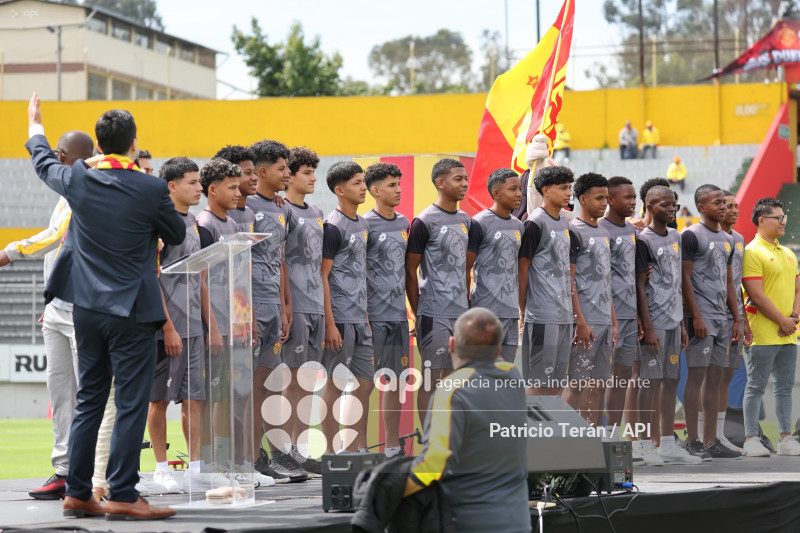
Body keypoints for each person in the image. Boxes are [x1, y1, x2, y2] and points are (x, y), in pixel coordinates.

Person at [26, 94, 182, 519]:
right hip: (131, 309)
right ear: (134, 145)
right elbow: (177, 233)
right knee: (130, 402)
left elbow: (42, 162)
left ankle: (78, 493)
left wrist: (35, 125)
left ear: (98, 145)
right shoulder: (150, 186)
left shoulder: (79, 179)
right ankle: (124, 495)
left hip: (86, 308)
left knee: (89, 400)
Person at [0, 130, 93, 500]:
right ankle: (64, 470)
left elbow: (55, 237)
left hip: (82, 310)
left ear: (74, 158)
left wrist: (9, 252)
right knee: (60, 391)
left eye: (60, 154)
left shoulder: (81, 191)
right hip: (57, 308)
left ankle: (88, 473)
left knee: (85, 394)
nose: (55, 159)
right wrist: (52, 298)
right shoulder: (65, 192)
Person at [404, 307, 530, 533]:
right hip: (517, 523)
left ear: (451, 345)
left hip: (469, 523)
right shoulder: (514, 378)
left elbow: (435, 462)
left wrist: (389, 488)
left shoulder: (452, 389)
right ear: (499, 349)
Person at [246, 140, 308, 481]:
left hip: (274, 305)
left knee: (271, 383)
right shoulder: (246, 206)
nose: (288, 174)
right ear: (263, 171)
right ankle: (253, 455)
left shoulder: (283, 209)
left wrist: (286, 305)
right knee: (253, 384)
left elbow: (281, 259)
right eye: (283, 169)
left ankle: (272, 453)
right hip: (251, 306)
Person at [635, 186, 698, 465]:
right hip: (654, 323)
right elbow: (639, 284)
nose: (671, 209)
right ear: (649, 206)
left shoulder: (676, 236)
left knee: (670, 381)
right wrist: (647, 326)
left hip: (673, 323)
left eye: (674, 204)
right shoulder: (642, 239)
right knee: (648, 382)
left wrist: (682, 324)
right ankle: (644, 444)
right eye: (664, 204)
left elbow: (676, 283)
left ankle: (668, 444)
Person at [405, 158, 471, 421]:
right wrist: (420, 313)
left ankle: (451, 438)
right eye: (458, 179)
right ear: (440, 183)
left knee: (455, 380)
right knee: (433, 379)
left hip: (462, 315)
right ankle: (431, 440)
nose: (465, 183)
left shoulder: (467, 219)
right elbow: (410, 271)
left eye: (465, 178)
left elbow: (466, 269)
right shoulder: (424, 221)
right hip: (434, 313)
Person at [682, 184, 742, 460]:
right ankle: (692, 439)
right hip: (702, 318)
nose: (723, 207)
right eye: (716, 203)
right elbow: (685, 279)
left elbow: (729, 281)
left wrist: (737, 318)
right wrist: (697, 316)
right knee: (696, 376)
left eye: (725, 203)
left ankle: (710, 441)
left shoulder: (728, 240)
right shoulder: (692, 236)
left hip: (723, 319)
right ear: (701, 207)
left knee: (716, 378)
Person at [321, 161, 374, 453]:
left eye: (363, 181)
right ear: (340, 190)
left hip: (360, 319)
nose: (364, 187)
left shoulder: (363, 224)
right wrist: (330, 324)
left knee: (365, 385)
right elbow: (323, 276)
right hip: (339, 319)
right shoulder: (332, 226)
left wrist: (365, 317)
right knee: (335, 385)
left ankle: (356, 449)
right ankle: (330, 452)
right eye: (357, 183)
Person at [741, 197, 800, 457]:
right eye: (779, 218)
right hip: (762, 333)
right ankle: (751, 438)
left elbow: (798, 289)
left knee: (784, 387)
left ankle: (786, 438)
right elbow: (757, 295)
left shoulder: (787, 253)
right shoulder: (753, 252)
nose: (783, 222)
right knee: (755, 386)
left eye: (784, 217)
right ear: (762, 221)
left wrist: (794, 317)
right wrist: (783, 321)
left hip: (788, 333)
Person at [281, 146, 325, 476]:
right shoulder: (281, 211)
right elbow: (279, 260)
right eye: (306, 173)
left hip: (317, 306)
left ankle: (301, 448)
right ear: (290, 176)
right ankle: (283, 449)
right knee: (290, 380)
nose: (313, 178)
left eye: (314, 172)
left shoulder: (317, 211)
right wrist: (287, 305)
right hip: (294, 306)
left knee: (309, 380)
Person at [363, 162, 410, 458]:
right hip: (372, 318)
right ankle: (354, 446)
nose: (398, 190)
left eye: (399, 184)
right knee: (364, 384)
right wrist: (364, 316)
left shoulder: (405, 223)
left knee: (395, 382)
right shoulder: (364, 224)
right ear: (375, 191)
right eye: (391, 185)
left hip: (398, 317)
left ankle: (392, 446)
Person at [563, 173, 617, 425]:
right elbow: (569, 281)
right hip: (585, 322)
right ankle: (560, 443)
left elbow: (606, 280)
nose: (605, 203)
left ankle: (591, 443)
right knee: (577, 383)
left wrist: (614, 322)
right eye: (599, 198)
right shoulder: (573, 232)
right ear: (582, 199)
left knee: (597, 385)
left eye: (606, 197)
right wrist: (580, 321)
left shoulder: (604, 231)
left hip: (605, 321)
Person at [518, 166, 574, 396]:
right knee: (539, 380)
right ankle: (529, 431)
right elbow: (522, 270)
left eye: (570, 187)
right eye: (563, 188)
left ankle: (549, 431)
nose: (568, 193)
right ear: (546, 190)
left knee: (558, 381)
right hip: (542, 315)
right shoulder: (534, 223)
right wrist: (524, 311)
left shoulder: (564, 222)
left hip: (564, 314)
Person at [467, 168, 524, 363]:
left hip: (510, 313)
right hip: (485, 313)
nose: (519, 194)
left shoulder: (519, 226)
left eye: (520, 189)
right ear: (496, 193)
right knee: (483, 372)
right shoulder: (479, 223)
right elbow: (464, 268)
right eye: (512, 189)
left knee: (505, 372)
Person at [599, 177, 638, 442]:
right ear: (610, 200)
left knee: (622, 376)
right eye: (627, 197)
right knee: (599, 378)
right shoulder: (600, 230)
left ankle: (614, 435)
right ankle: (593, 435)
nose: (633, 202)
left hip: (630, 314)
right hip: (606, 316)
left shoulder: (632, 231)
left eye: (635, 197)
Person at [718, 191, 752, 454]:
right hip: (711, 317)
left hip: (735, 320)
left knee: (727, 377)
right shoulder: (701, 236)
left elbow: (737, 283)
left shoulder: (739, 239)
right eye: (727, 206)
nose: (733, 210)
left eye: (735, 205)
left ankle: (720, 435)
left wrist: (743, 320)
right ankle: (704, 436)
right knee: (709, 377)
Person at [215, 145, 257, 232]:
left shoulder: (250, 214)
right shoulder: (220, 214)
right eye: (248, 173)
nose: (255, 178)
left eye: (254, 172)